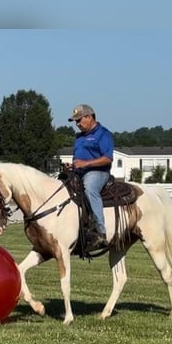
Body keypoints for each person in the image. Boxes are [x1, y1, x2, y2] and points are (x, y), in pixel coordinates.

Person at [67, 104, 114, 250]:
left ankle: (100, 231)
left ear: (89, 117)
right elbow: (79, 159)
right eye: (76, 121)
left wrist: (85, 164)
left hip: (98, 172)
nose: (77, 124)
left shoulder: (103, 134)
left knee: (90, 188)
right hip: (79, 171)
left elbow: (108, 158)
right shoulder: (79, 137)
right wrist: (72, 165)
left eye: (79, 120)